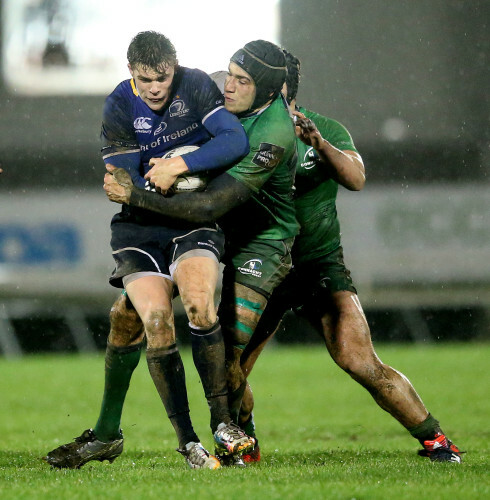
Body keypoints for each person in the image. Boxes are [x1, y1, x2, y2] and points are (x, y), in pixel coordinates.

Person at [45, 39, 298, 469]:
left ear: (174, 68)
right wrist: (150, 179)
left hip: (192, 223)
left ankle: (224, 423)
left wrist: (180, 165)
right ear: (130, 71)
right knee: (152, 322)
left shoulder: (197, 86)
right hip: (140, 230)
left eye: (162, 78)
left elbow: (232, 143)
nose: (156, 88)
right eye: (145, 79)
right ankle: (185, 443)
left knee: (201, 305)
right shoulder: (119, 106)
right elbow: (128, 184)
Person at [237, 49, 463, 464]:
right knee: (230, 368)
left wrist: (318, 145)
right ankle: (244, 443)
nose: (238, 85)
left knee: (358, 359)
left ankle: (436, 442)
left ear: (282, 86)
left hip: (318, 265)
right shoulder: (239, 131)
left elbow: (357, 178)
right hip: (264, 266)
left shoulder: (322, 129)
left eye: (250, 78)